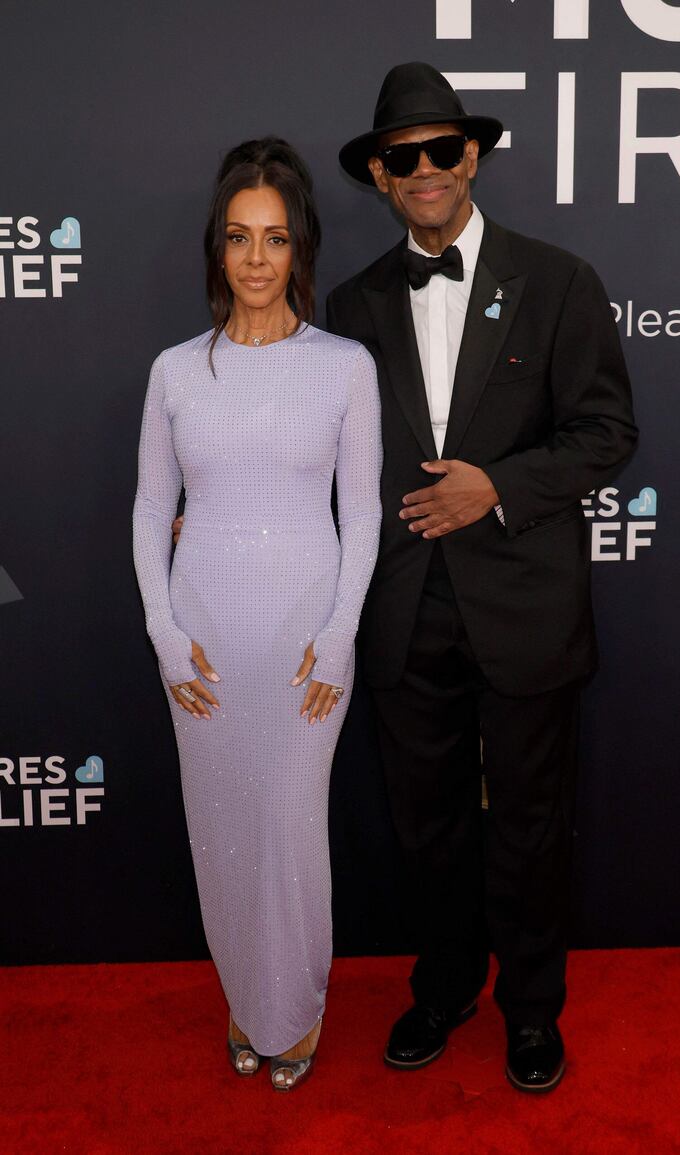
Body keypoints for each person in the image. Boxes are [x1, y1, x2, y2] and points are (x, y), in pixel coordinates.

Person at [325, 62, 638, 1091]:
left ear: (471, 155)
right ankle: (445, 984)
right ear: (379, 174)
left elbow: (605, 432)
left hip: (524, 607)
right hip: (403, 612)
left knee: (532, 825)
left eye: (440, 149)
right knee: (426, 825)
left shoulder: (556, 280)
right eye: (400, 156)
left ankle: (531, 1010)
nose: (424, 169)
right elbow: (327, 454)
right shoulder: (352, 302)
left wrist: (493, 488)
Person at [132, 137, 382, 1091]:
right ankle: (247, 997)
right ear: (218, 248)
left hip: (305, 642)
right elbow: (153, 508)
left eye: (274, 239)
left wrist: (338, 632)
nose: (256, 259)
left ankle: (296, 1007)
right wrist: (161, 628)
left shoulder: (344, 367)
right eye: (239, 237)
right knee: (221, 828)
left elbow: (359, 511)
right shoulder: (175, 373)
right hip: (202, 641)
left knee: (287, 825)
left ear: (299, 249)